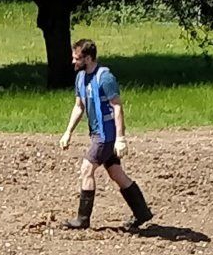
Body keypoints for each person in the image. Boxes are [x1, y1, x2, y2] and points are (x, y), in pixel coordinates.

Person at [57, 40, 151, 231]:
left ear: (89, 58)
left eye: (77, 58)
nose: (73, 62)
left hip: (105, 136)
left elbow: (117, 107)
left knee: (86, 169)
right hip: (96, 134)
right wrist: (68, 132)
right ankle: (142, 213)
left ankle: (83, 219)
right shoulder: (81, 78)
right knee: (117, 174)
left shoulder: (105, 78)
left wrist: (120, 138)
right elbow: (79, 106)